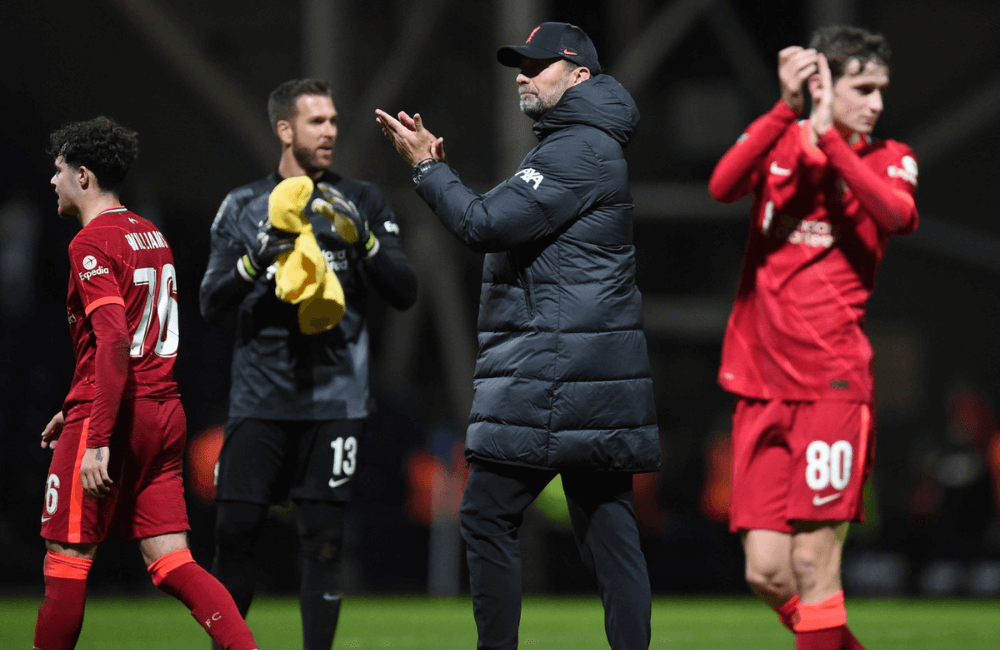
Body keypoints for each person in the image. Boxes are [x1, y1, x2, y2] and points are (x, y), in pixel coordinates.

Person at [377, 21, 659, 650]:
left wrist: (426, 169)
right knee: (611, 538)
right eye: (518, 65)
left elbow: (483, 223)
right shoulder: (583, 145)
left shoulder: (576, 149)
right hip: (592, 374)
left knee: (484, 516)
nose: (523, 76)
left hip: (557, 374)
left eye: (538, 65)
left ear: (579, 76)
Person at [708, 25, 919, 650]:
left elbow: (899, 215)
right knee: (767, 571)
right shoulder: (781, 143)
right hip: (759, 383)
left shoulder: (888, 157)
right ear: (823, 83)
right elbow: (722, 186)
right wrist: (787, 109)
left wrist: (832, 138)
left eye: (880, 90)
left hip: (831, 386)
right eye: (862, 88)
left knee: (813, 566)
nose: (876, 103)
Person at [200, 79, 417, 650]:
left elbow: (404, 291)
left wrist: (365, 242)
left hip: (335, 399)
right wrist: (255, 261)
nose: (330, 132)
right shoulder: (243, 206)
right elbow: (210, 302)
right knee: (235, 530)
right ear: (284, 130)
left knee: (323, 538)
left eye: (333, 120)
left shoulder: (361, 201)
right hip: (259, 397)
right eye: (316, 121)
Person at [35, 116, 259, 650]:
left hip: (112, 418)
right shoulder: (150, 233)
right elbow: (136, 337)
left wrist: (97, 433)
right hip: (163, 413)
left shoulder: (89, 244)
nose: (53, 181)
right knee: (172, 559)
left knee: (66, 559)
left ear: (83, 176)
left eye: (59, 170)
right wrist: (76, 403)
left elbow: (113, 341)